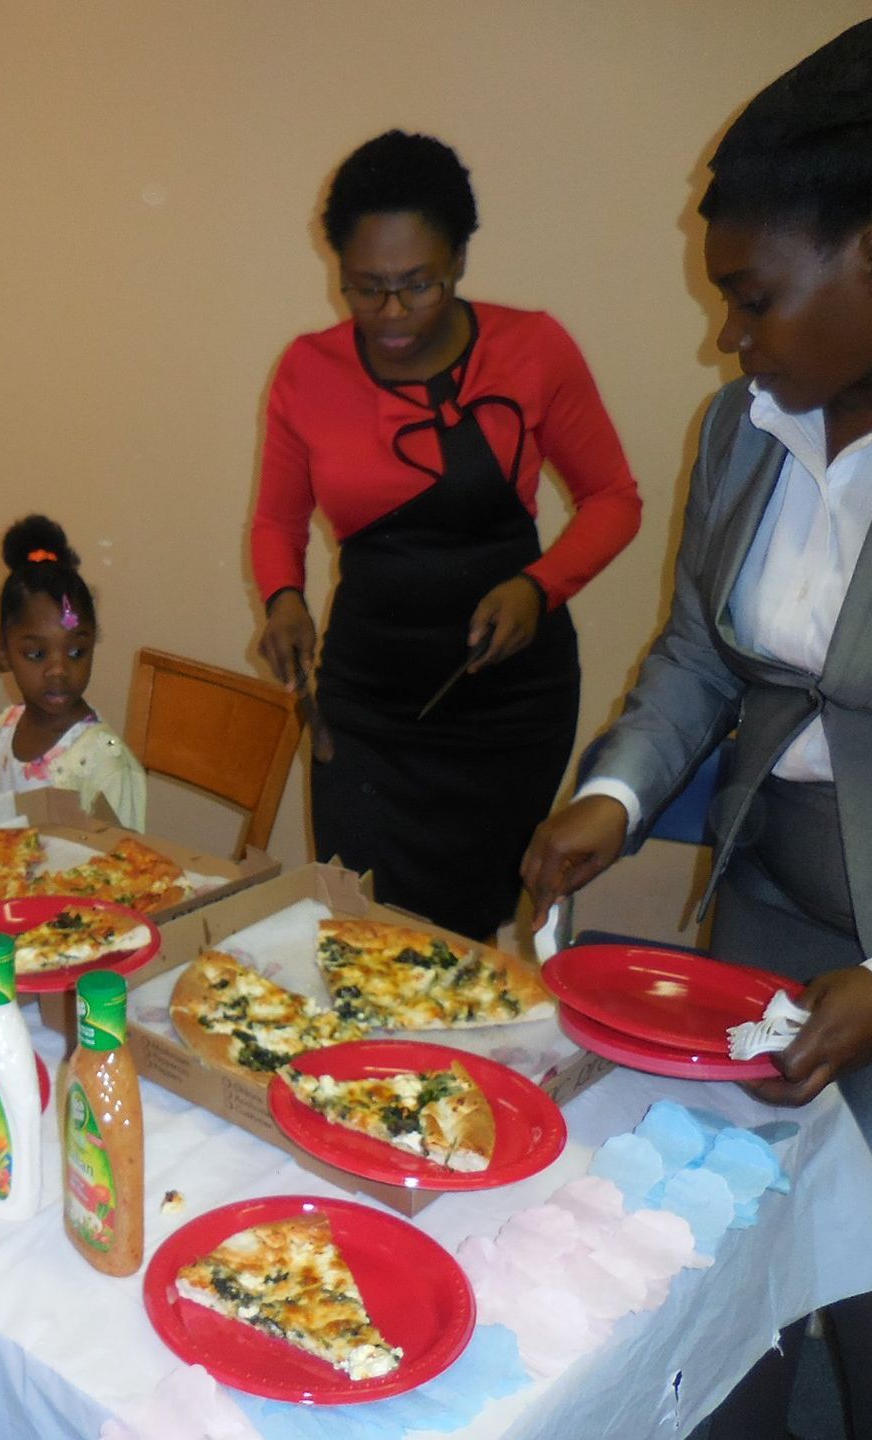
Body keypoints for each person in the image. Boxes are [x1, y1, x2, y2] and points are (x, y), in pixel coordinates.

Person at [521, 15, 872, 1440]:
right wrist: (611, 795)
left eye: (753, 296)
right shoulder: (743, 429)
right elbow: (700, 665)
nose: (728, 334)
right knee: (733, 1231)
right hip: (781, 891)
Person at [251, 130, 641, 942]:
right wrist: (283, 598)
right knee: (362, 926)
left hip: (506, 710)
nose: (390, 314)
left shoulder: (532, 350)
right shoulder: (306, 372)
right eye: (364, 289)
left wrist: (541, 586)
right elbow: (276, 521)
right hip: (365, 708)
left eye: (416, 285)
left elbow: (614, 498)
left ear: (460, 258)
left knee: (466, 939)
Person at [0, 516, 146, 829]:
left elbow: (125, 861)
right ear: (5, 652)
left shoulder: (104, 760)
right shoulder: (6, 727)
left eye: (76, 652)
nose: (59, 670)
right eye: (36, 654)